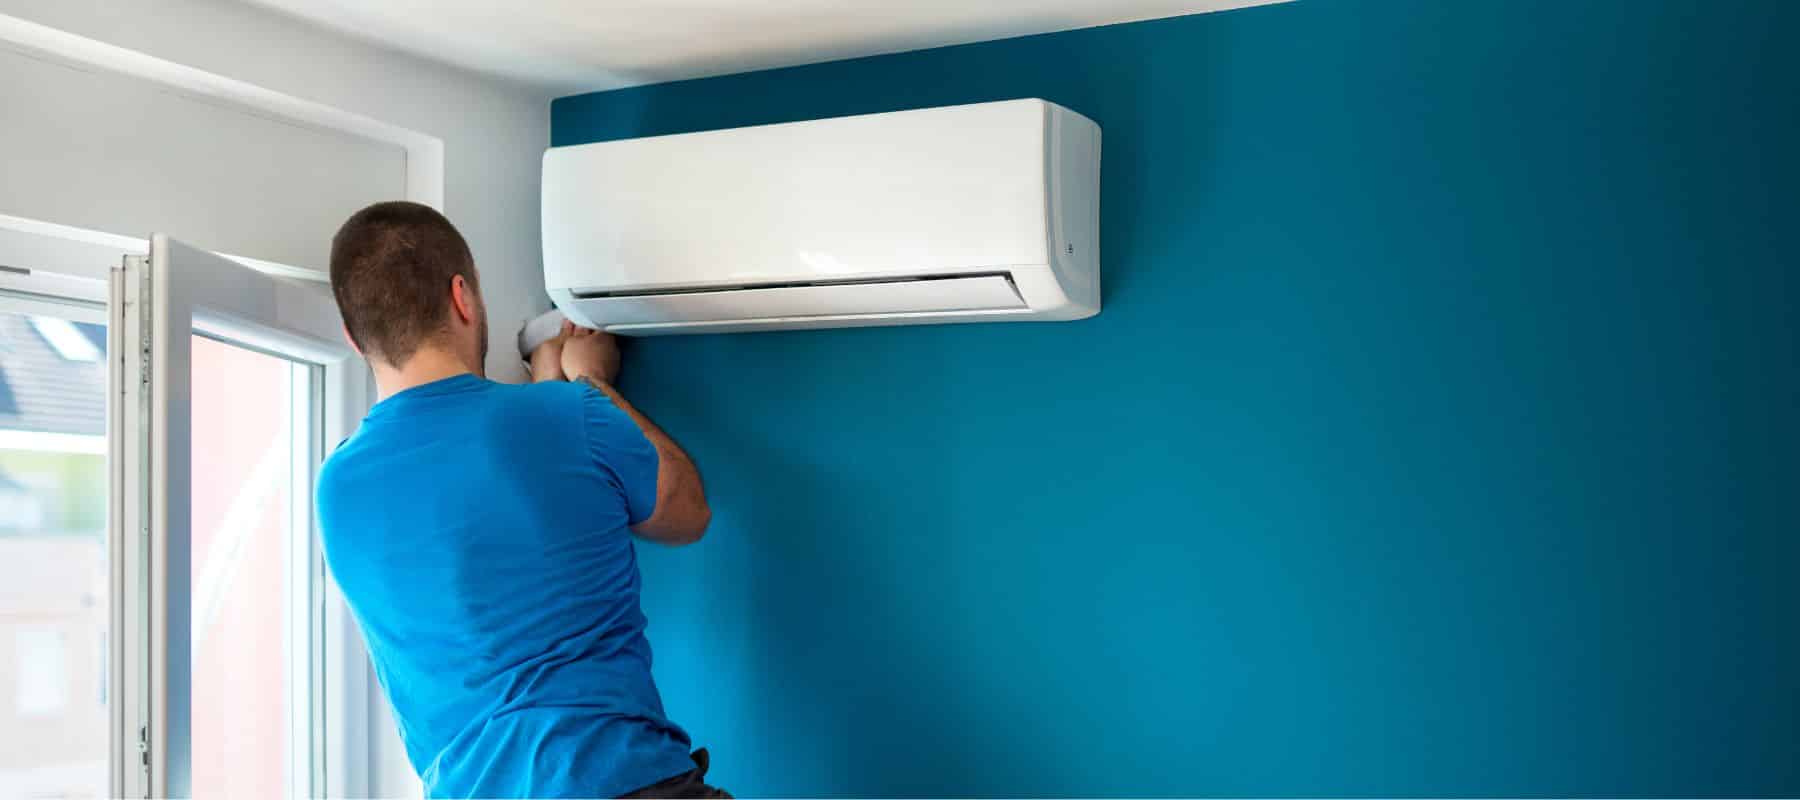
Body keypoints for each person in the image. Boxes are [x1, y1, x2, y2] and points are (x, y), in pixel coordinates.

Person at [315, 201, 727, 798]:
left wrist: (547, 392)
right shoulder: (572, 416)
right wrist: (593, 382)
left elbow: (477, 520)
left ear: (354, 338)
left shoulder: (336, 492)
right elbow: (688, 513)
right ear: (463, 297)